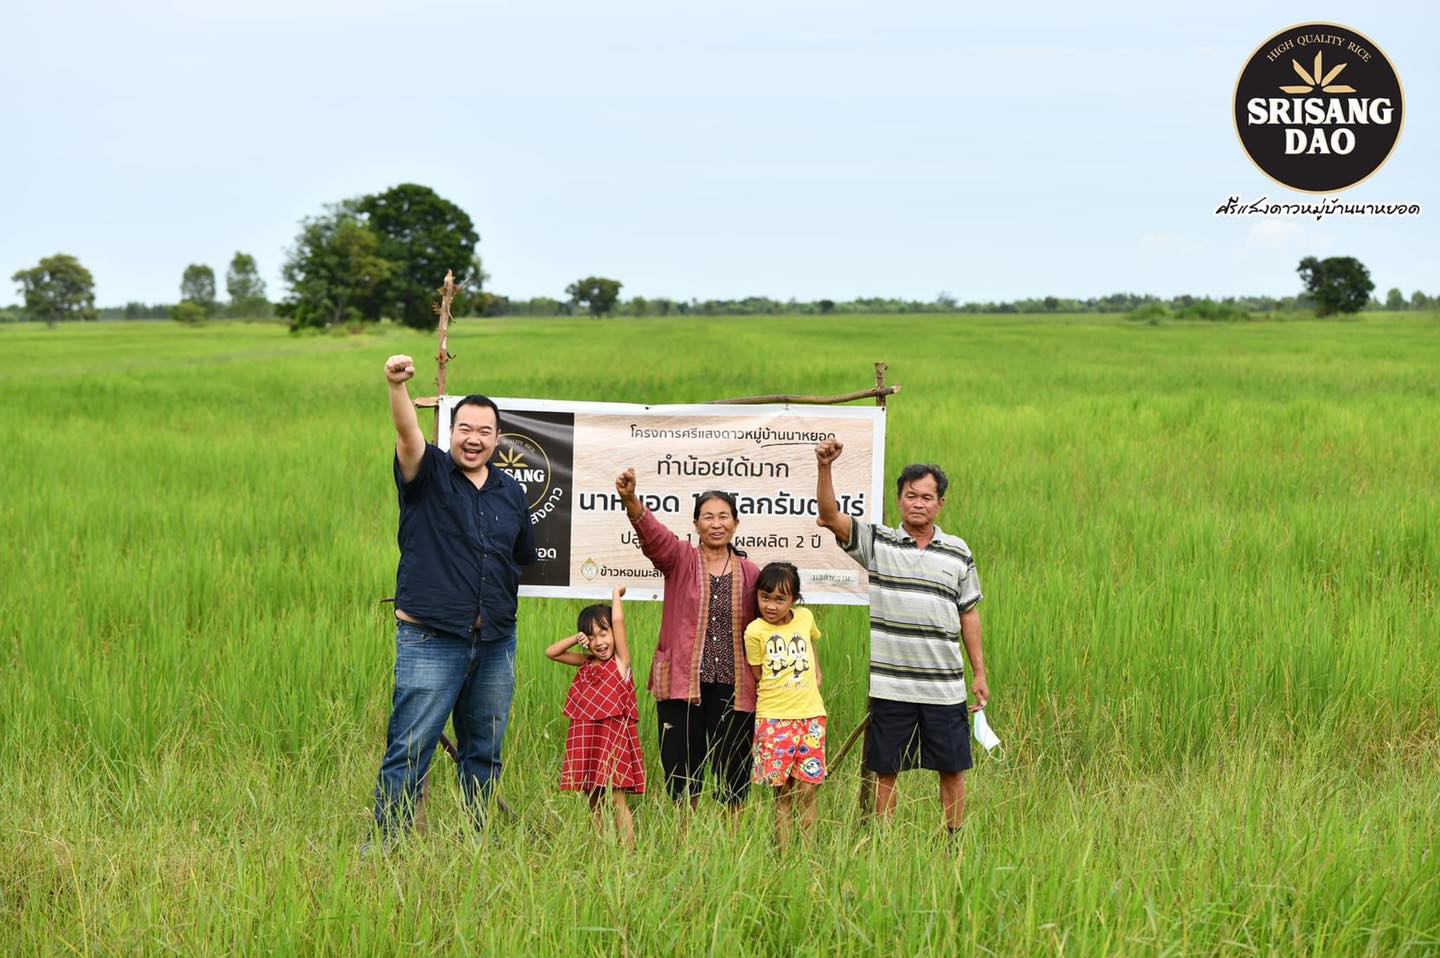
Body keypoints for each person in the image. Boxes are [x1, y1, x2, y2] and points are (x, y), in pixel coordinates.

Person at [371, 354, 538, 839]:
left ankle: (475, 842)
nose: (474, 438)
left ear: (497, 438)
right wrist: (396, 386)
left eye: (485, 431)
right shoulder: (429, 473)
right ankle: (387, 846)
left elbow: (516, 561)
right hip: (431, 638)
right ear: (450, 431)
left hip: (495, 645)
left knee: (484, 750)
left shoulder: (511, 493)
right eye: (465, 428)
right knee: (410, 748)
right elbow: (407, 435)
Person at [814, 439, 990, 836]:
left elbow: (969, 612)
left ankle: (954, 841)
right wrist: (825, 468)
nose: (918, 503)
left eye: (927, 497)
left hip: (945, 687)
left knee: (952, 768)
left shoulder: (958, 552)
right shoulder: (878, 543)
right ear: (899, 500)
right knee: (886, 768)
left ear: (940, 504)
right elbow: (829, 517)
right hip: (892, 686)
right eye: (911, 495)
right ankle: (883, 843)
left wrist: (978, 672)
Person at [615, 468, 760, 808]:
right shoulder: (680, 558)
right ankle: (684, 840)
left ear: (736, 524)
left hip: (733, 685)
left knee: (734, 769)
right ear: (695, 525)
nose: (716, 523)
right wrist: (632, 501)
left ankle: (733, 842)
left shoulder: (751, 572)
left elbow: (768, 623)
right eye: (707, 517)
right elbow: (654, 537)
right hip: (682, 683)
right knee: (682, 769)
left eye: (724, 516)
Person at [546, 586, 645, 846]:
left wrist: (616, 596)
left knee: (616, 798)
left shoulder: (621, 662)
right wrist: (574, 638)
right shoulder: (586, 662)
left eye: (604, 633)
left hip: (611, 739)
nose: (599, 642)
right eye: (591, 637)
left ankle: (628, 852)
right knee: (592, 796)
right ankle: (601, 847)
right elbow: (551, 653)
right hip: (587, 738)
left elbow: (619, 621)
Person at [744, 561, 826, 848]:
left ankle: (806, 851)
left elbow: (813, 651)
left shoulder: (805, 618)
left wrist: (816, 676)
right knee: (782, 792)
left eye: (780, 599)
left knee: (807, 788)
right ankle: (784, 852)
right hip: (774, 719)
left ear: (794, 599)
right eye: (765, 597)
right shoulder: (754, 631)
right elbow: (758, 673)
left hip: (811, 717)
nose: (771, 606)